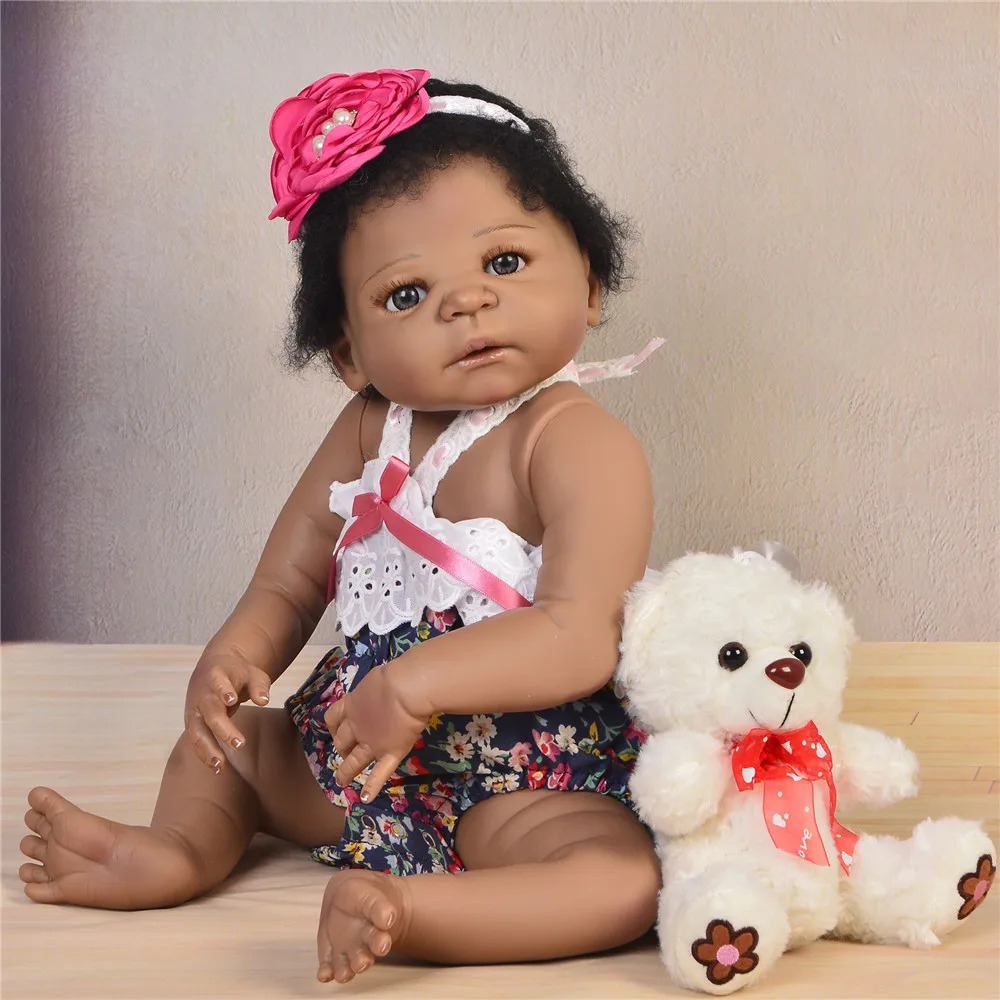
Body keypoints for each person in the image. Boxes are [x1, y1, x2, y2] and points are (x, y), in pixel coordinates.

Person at [20, 68, 664, 983]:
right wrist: (232, 658)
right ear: (348, 354)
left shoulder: (572, 440)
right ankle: (175, 850)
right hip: (354, 755)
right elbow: (289, 582)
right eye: (406, 293)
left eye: (504, 263)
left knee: (620, 879)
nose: (465, 302)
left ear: (591, 285)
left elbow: (579, 634)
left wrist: (416, 684)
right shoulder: (370, 426)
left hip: (521, 767)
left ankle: (413, 913)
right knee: (236, 747)